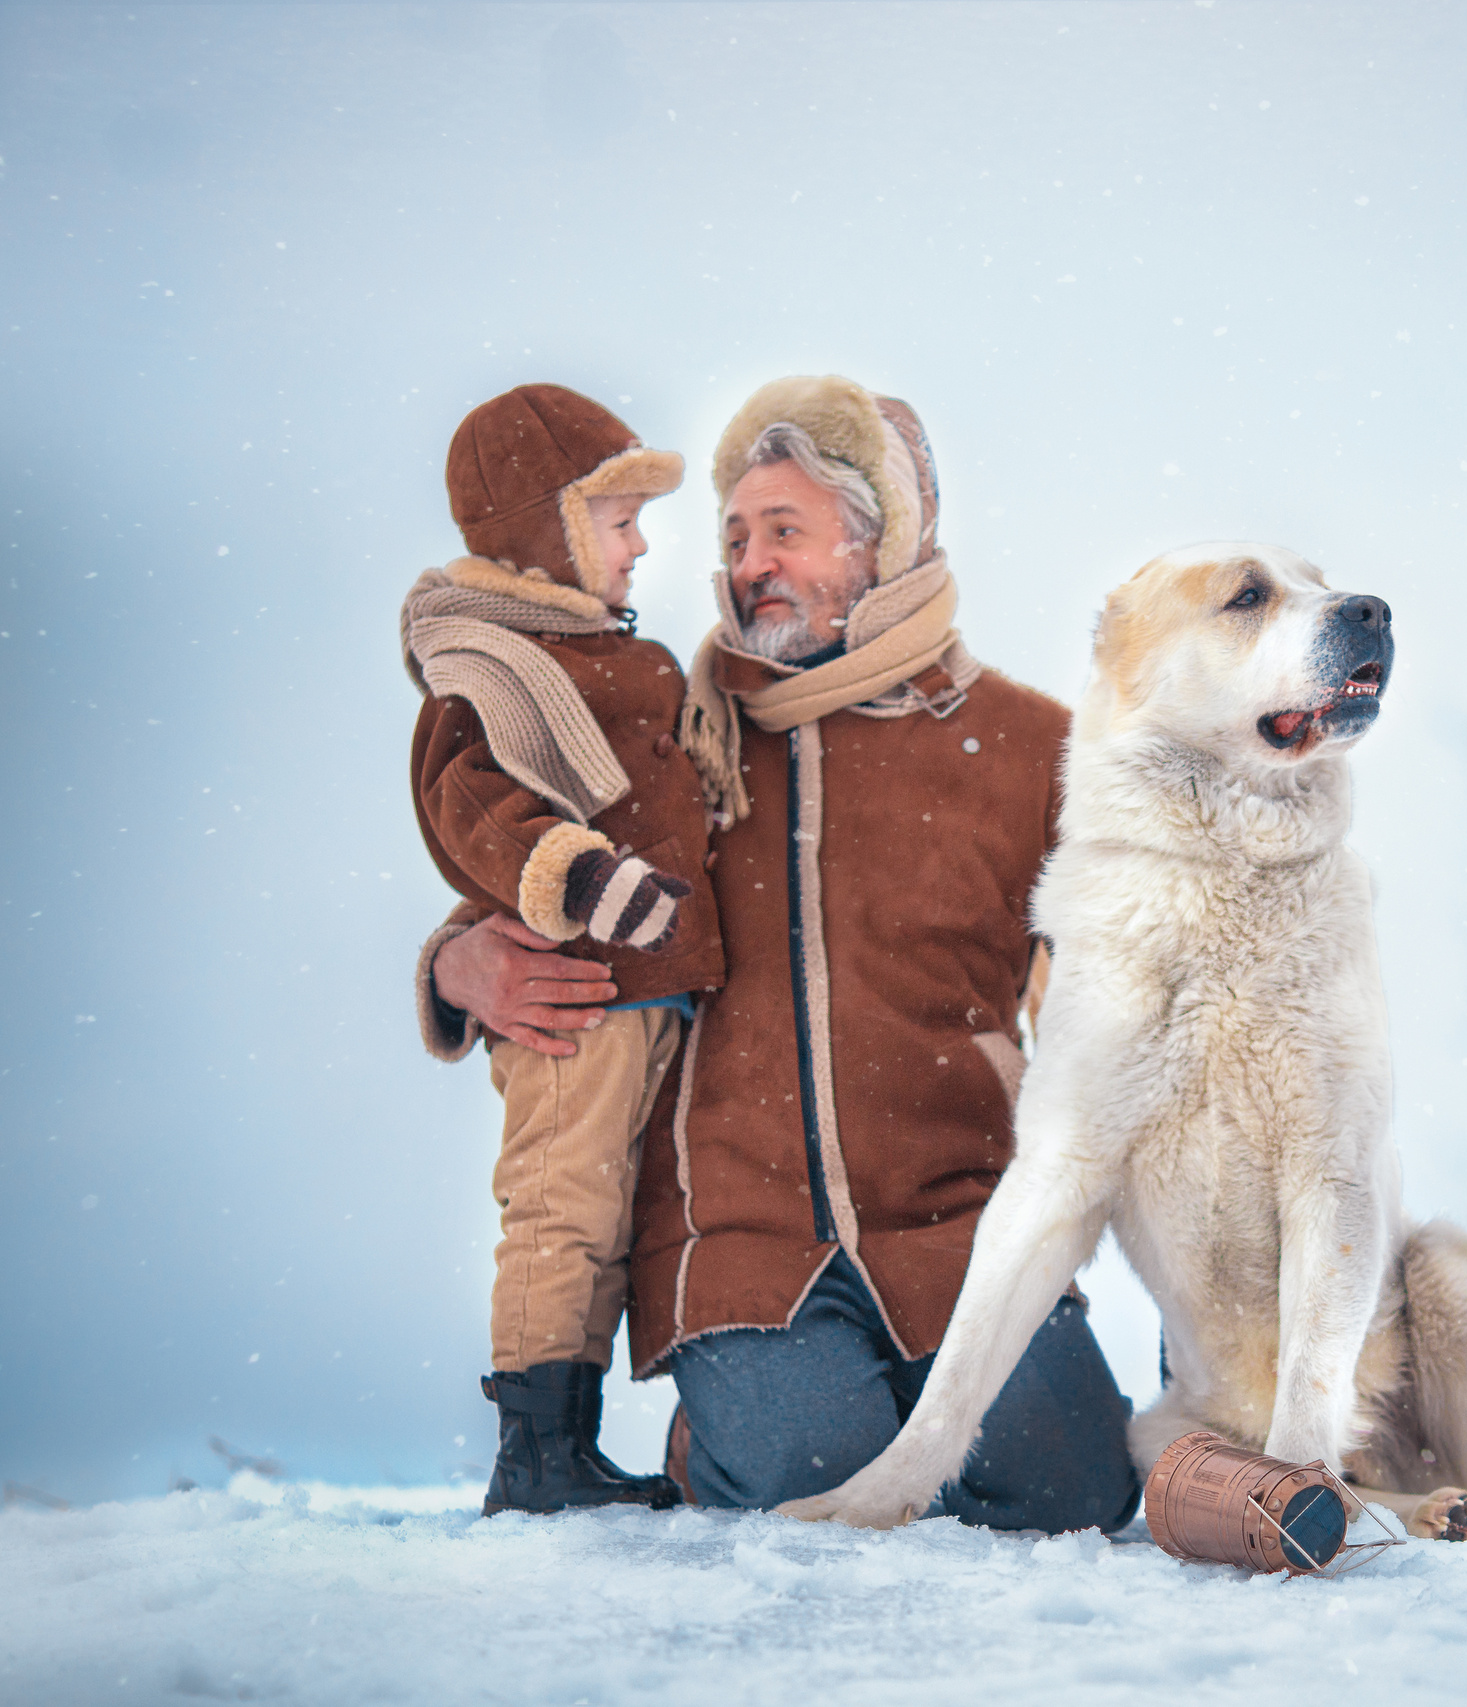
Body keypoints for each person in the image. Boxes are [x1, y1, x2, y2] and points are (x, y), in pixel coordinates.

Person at [426, 376, 1140, 1532]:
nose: (749, 560)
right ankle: (725, 1426)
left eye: (786, 531)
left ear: (883, 544)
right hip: (740, 1249)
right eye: (735, 534)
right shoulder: (669, 734)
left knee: (1068, 1494)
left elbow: (1147, 953)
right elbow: (533, 864)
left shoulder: (1028, 747)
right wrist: (456, 967)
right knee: (812, 1480)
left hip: (965, 1229)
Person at [404, 384, 724, 1515]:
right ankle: (533, 1454)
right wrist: (587, 881)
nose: (643, 546)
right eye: (618, 519)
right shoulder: (493, 669)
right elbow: (472, 811)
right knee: (559, 1204)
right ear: (548, 527)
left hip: (654, 996)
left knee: (609, 1212)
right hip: (577, 994)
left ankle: (572, 1443)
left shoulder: (616, 657)